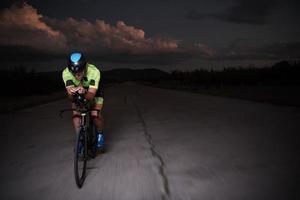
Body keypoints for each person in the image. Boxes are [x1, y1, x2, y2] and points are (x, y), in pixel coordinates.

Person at [62, 52, 104, 150]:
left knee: (95, 116)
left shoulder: (94, 71)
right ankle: (80, 140)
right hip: (78, 93)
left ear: (85, 67)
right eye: (74, 73)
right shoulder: (66, 73)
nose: (77, 76)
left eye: (80, 72)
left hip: (94, 92)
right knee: (76, 118)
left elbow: (91, 95)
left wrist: (84, 92)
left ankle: (100, 134)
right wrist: (72, 93)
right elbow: (70, 98)